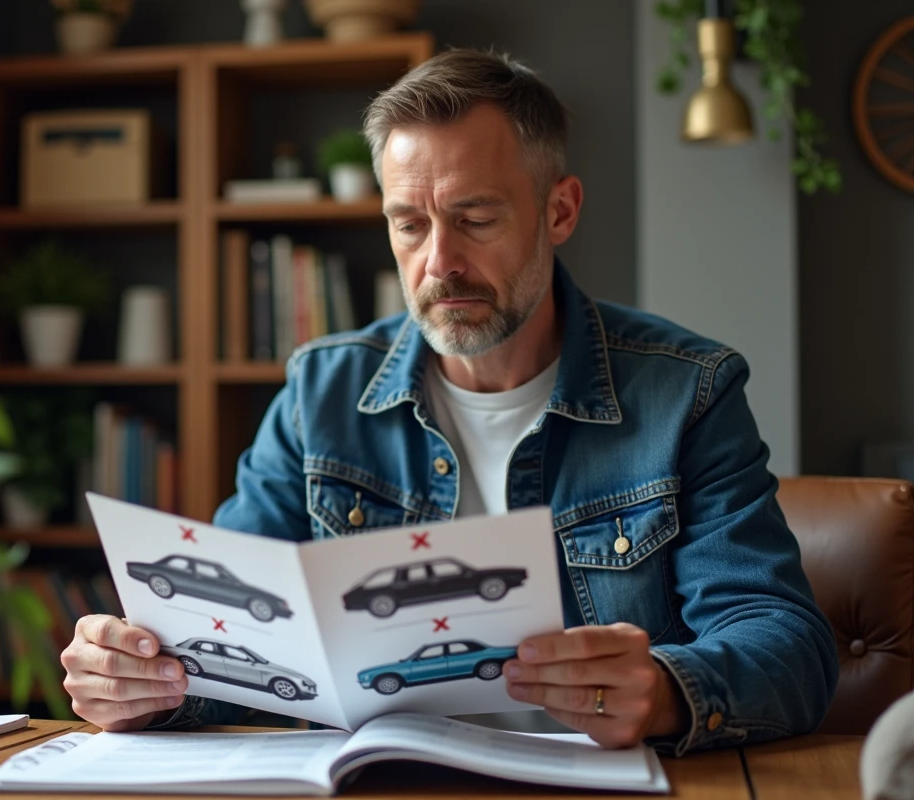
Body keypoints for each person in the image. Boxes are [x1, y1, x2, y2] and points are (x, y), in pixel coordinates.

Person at [61, 48, 837, 755]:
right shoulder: (320, 392)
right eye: (409, 224)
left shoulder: (687, 391)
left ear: (559, 211)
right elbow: (225, 643)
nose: (440, 263)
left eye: (475, 219)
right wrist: (142, 683)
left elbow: (786, 644)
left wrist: (666, 691)